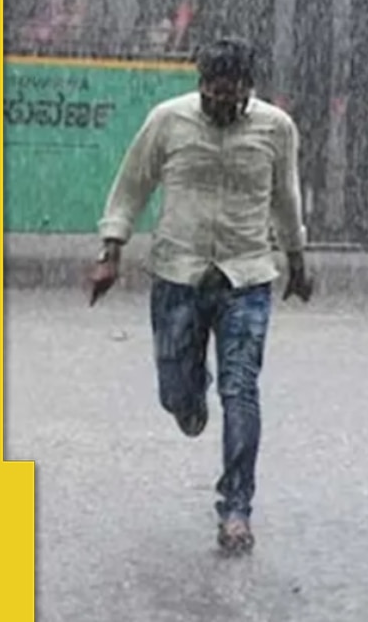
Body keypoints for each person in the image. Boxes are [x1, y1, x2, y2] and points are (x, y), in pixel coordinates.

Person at [88, 36, 313, 556]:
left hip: (247, 276)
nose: (222, 105)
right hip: (178, 275)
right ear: (200, 85)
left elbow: (286, 196)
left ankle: (236, 509)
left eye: (233, 96)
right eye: (214, 94)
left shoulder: (276, 128)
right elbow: (131, 186)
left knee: (242, 390)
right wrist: (110, 250)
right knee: (179, 397)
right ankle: (190, 399)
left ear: (249, 89)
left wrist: (297, 261)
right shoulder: (168, 121)